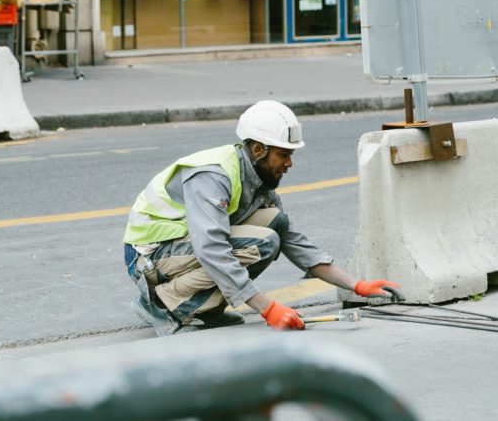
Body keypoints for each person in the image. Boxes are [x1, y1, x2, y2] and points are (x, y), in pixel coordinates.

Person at [122, 100, 400, 335]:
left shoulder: (256, 179)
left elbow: (293, 241)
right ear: (258, 150)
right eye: (284, 155)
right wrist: (267, 308)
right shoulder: (213, 175)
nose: (289, 163)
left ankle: (206, 309)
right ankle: (162, 304)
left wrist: (355, 285)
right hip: (150, 256)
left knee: (275, 223)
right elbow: (212, 249)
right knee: (263, 242)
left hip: (179, 249)